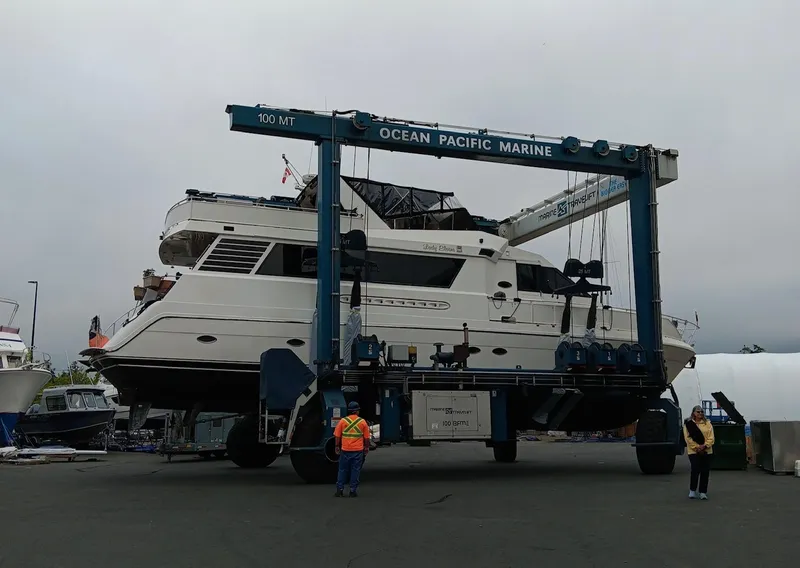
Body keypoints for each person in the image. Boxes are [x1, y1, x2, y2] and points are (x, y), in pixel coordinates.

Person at [334, 401, 370, 498]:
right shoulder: (362, 422)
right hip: (358, 451)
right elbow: (366, 438)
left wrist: (337, 446)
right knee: (355, 470)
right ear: (357, 411)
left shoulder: (342, 421)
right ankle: (352, 491)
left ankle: (339, 490)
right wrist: (366, 447)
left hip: (345, 450)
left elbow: (337, 436)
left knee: (342, 470)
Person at [683, 405, 715, 500]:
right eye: (698, 412)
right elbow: (687, 438)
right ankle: (692, 490)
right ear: (693, 413)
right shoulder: (688, 424)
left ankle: (703, 492)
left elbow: (711, 438)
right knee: (695, 469)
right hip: (693, 451)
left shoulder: (708, 423)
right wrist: (696, 447)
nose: (700, 413)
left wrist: (705, 446)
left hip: (707, 451)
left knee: (705, 471)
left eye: (701, 412)